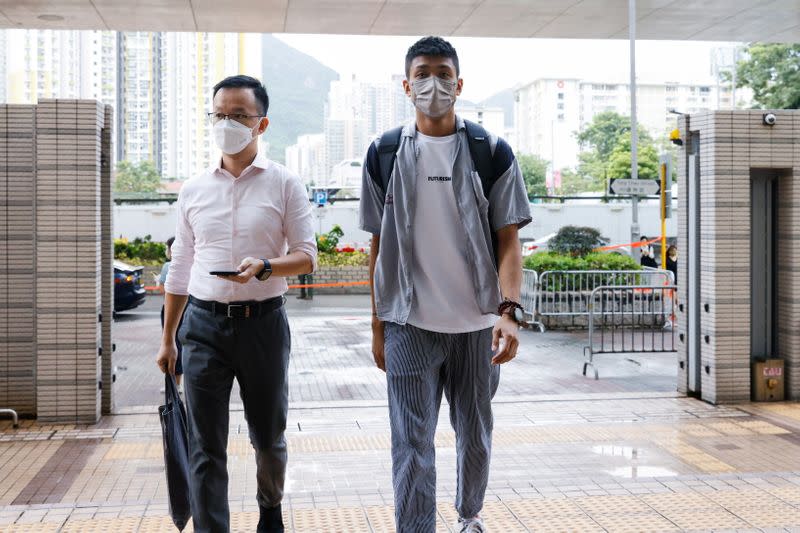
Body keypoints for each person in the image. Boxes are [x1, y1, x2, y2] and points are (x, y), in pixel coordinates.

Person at [359, 36, 531, 533]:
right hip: (408, 324)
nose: (432, 83)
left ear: (460, 83)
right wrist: (377, 327)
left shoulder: (490, 151)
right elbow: (378, 246)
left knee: (474, 434)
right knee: (410, 441)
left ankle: (469, 516)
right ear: (406, 84)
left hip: (478, 326)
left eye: (442, 72)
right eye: (422, 73)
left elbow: (509, 243)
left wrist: (509, 312)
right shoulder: (384, 152)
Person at [156, 75, 317, 533]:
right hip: (203, 326)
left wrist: (266, 266)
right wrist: (169, 339)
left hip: (263, 325)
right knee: (205, 445)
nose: (227, 123)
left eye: (239, 115)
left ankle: (270, 512)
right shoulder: (193, 190)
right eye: (219, 114)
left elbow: (307, 255)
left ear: (261, 124)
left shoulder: (285, 183)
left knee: (268, 437)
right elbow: (181, 267)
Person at [156, 237, 183, 389]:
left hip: (170, 309)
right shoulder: (191, 265)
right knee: (183, 345)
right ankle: (180, 383)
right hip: (189, 308)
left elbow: (163, 290)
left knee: (171, 343)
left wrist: (158, 281)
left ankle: (174, 385)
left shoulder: (168, 266)